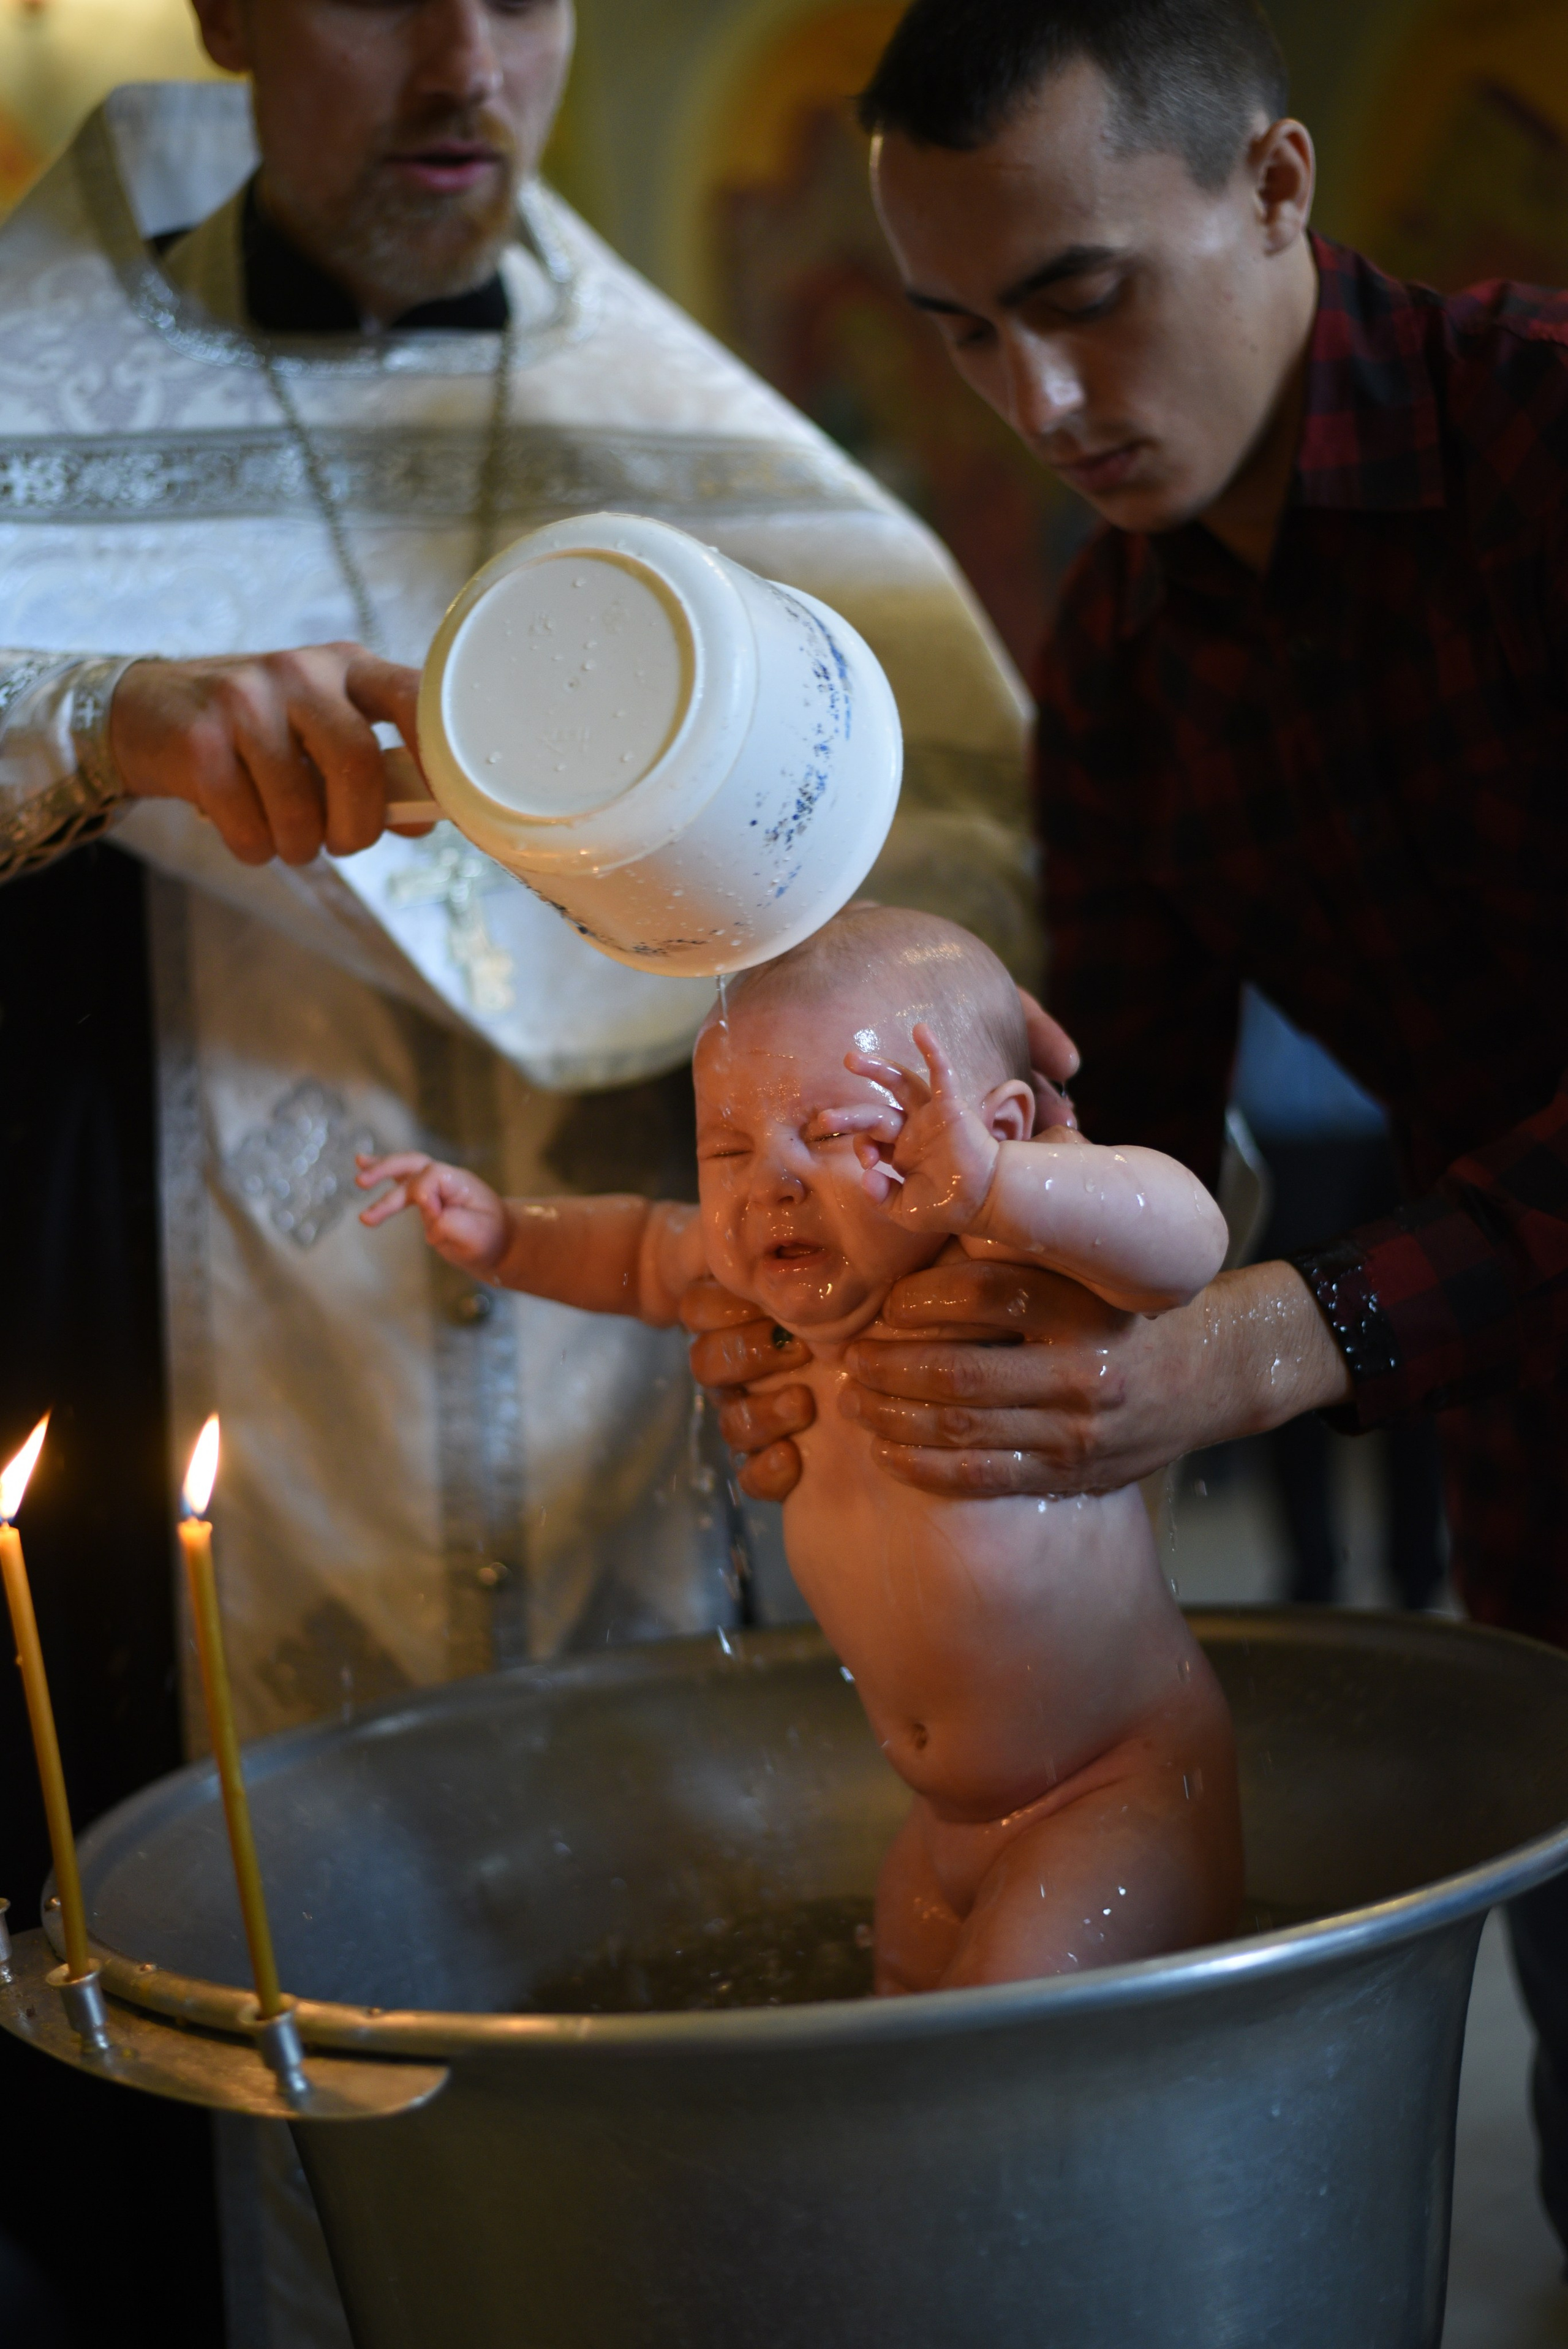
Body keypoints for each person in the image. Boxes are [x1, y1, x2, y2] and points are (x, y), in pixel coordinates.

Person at [0, 2, 1042, 2336]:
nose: (471, 61)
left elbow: (973, 868)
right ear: (229, 13)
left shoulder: (689, 431)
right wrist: (92, 717)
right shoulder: (34, 374)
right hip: (195, 1398)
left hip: (648, 1410)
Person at [698, 0, 1568, 2261]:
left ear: (1275, 185)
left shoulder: (1543, 447)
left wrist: (1287, 1329)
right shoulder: (1119, 665)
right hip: (1537, 1458)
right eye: (966, 333)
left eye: (1083, 298)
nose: (1040, 401)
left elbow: (1250, 1317)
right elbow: (1116, 1154)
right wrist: (866, 1315)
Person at [360, 904, 1240, 1991]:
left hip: (1111, 1792)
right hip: (942, 1822)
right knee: (897, 2036)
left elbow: (1190, 1241)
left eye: (833, 1135)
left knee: (992, 2046)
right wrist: (506, 1236)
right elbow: (636, 1245)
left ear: (998, 1128)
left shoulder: (1007, 1262)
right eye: (726, 1149)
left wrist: (1005, 1186)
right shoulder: (765, 1278)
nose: (770, 1179)